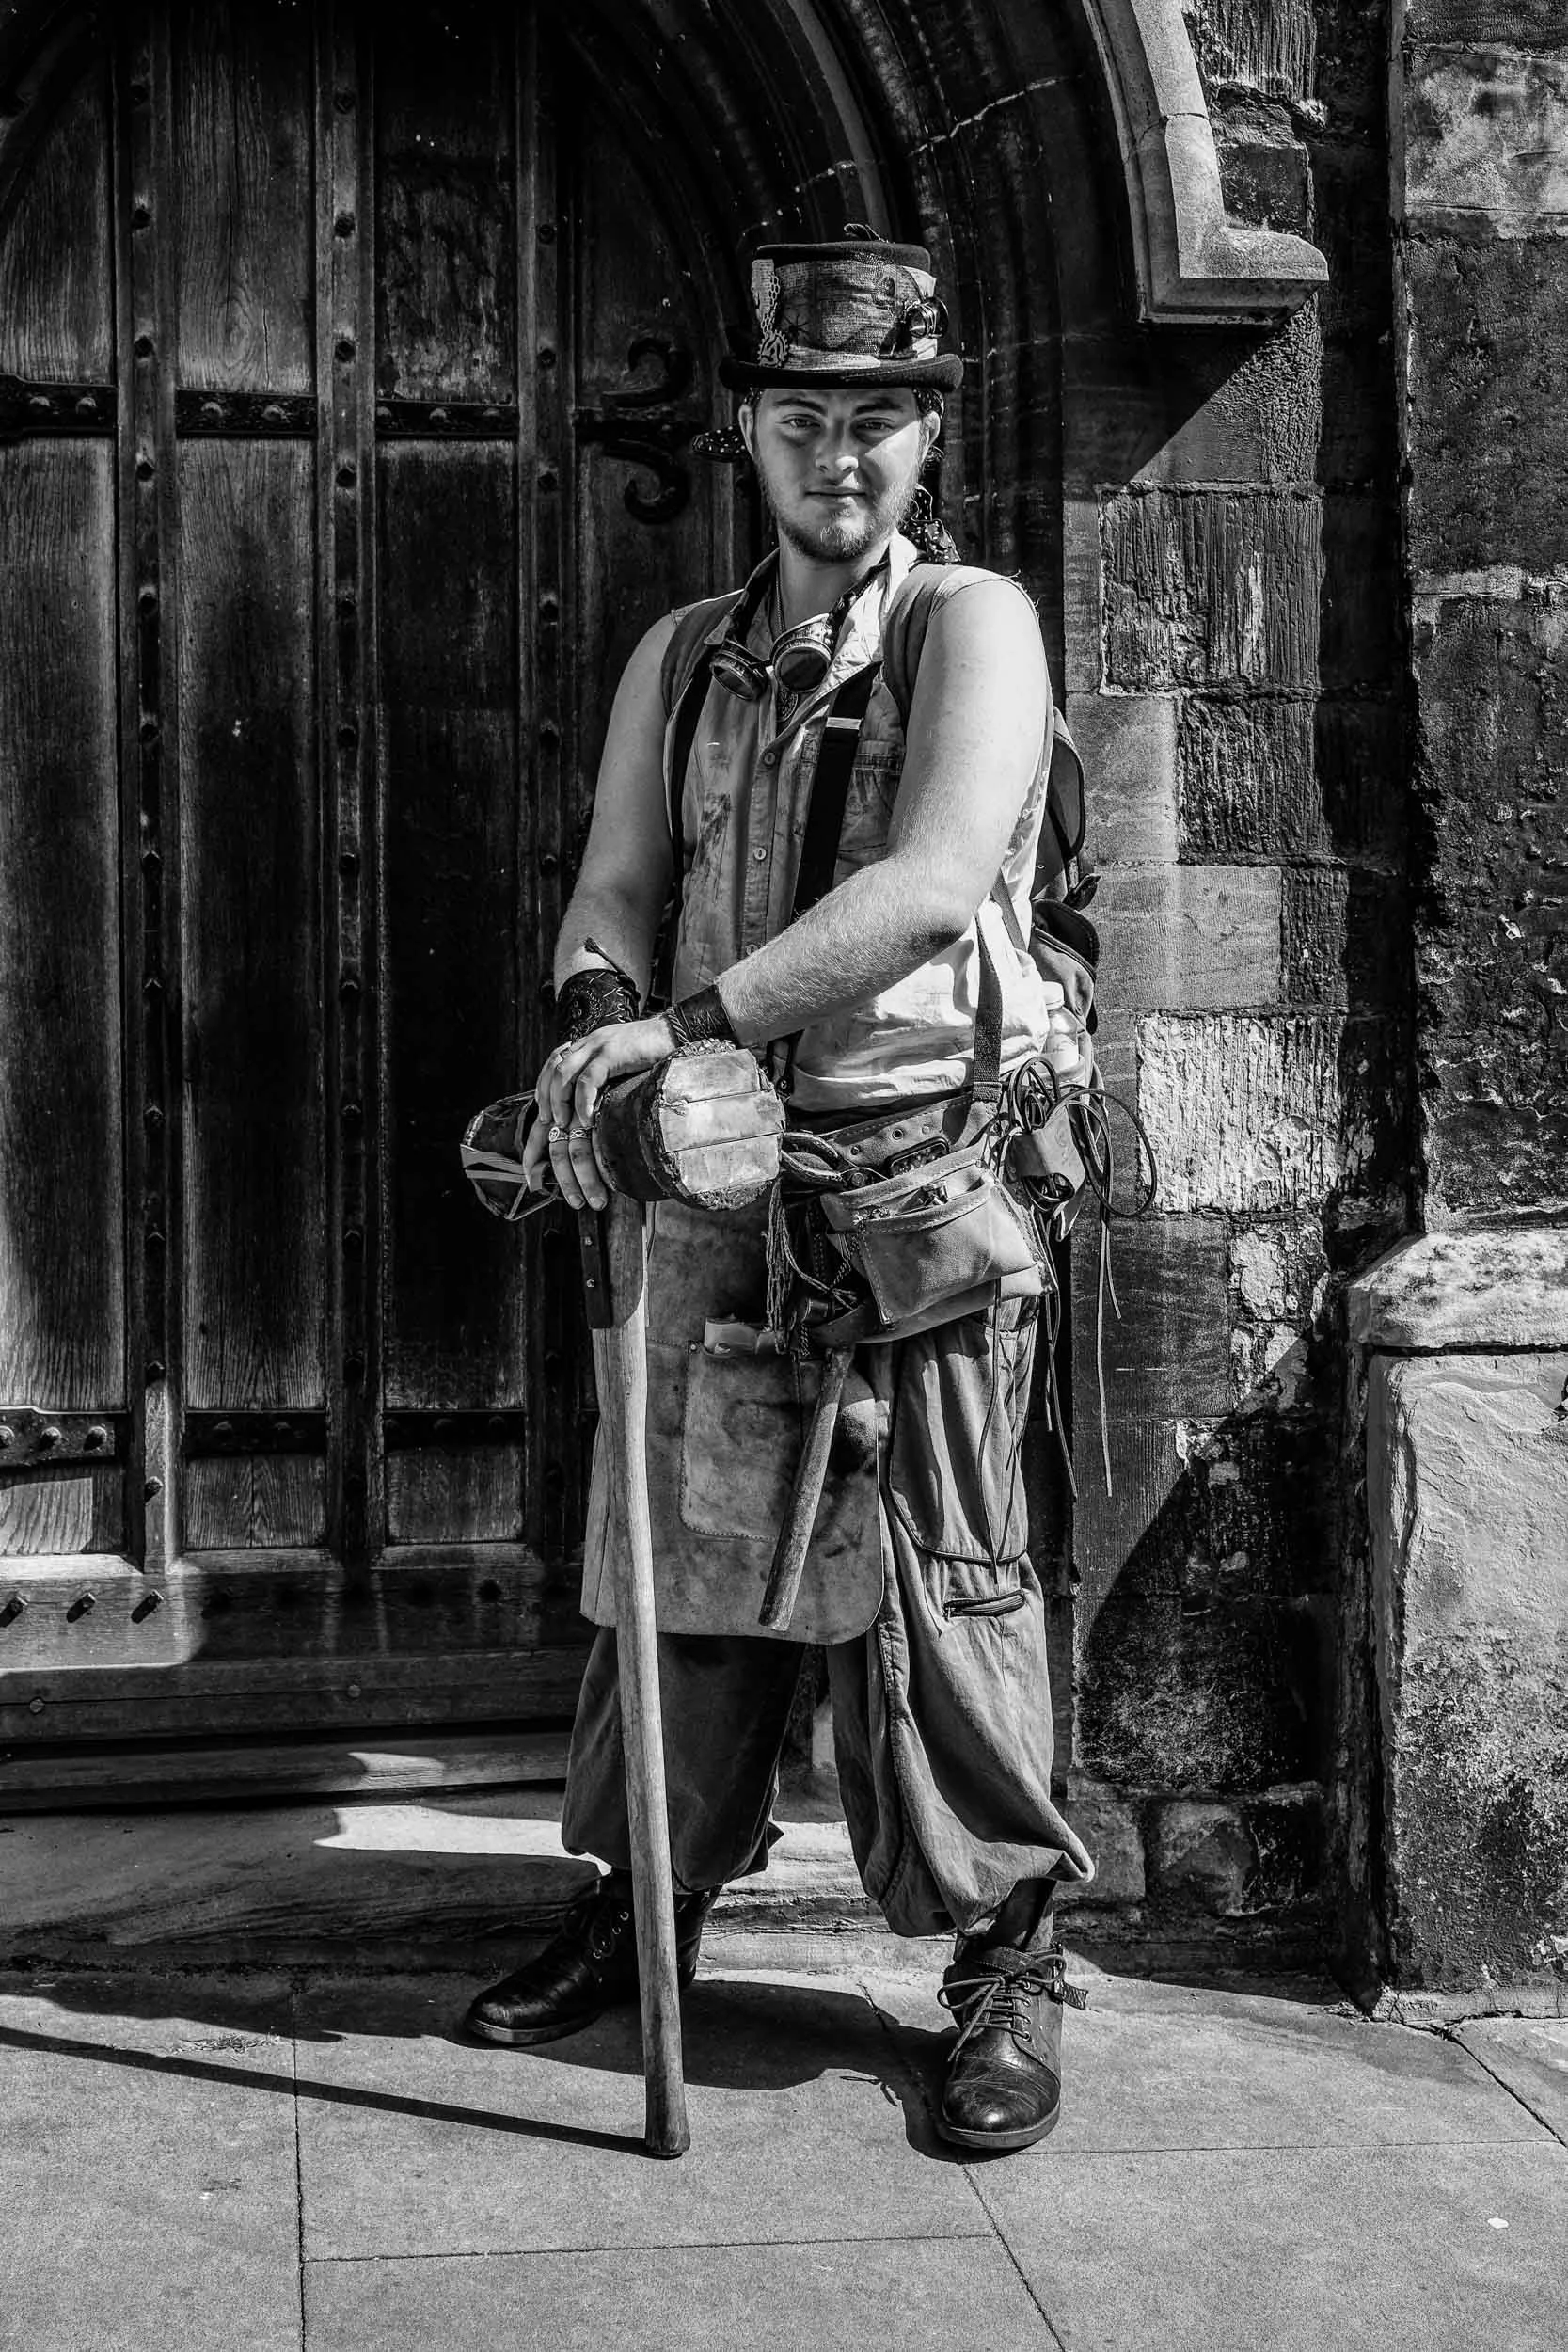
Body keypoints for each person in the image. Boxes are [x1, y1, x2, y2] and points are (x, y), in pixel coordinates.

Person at [464, 236, 1097, 2153]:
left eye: (880, 418)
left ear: (926, 441)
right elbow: (612, 886)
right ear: (747, 425)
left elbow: (922, 884)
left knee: (943, 1586)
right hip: (712, 1186)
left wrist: (682, 1026)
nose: (844, 452)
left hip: (916, 1185)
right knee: (683, 1584)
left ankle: (1008, 1955)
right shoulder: (680, 656)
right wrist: (599, 1013)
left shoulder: (966, 624)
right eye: (808, 414)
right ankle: (637, 1909)